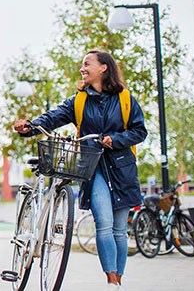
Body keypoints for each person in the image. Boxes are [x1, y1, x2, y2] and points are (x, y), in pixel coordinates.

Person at [13, 50, 147, 290]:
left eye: (87, 64)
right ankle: (111, 281)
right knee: (103, 224)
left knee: (119, 230)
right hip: (92, 167)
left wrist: (114, 140)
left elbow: (139, 131)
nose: (82, 68)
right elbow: (53, 117)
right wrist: (30, 127)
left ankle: (119, 280)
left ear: (103, 67)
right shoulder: (79, 100)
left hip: (122, 169)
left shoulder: (126, 99)